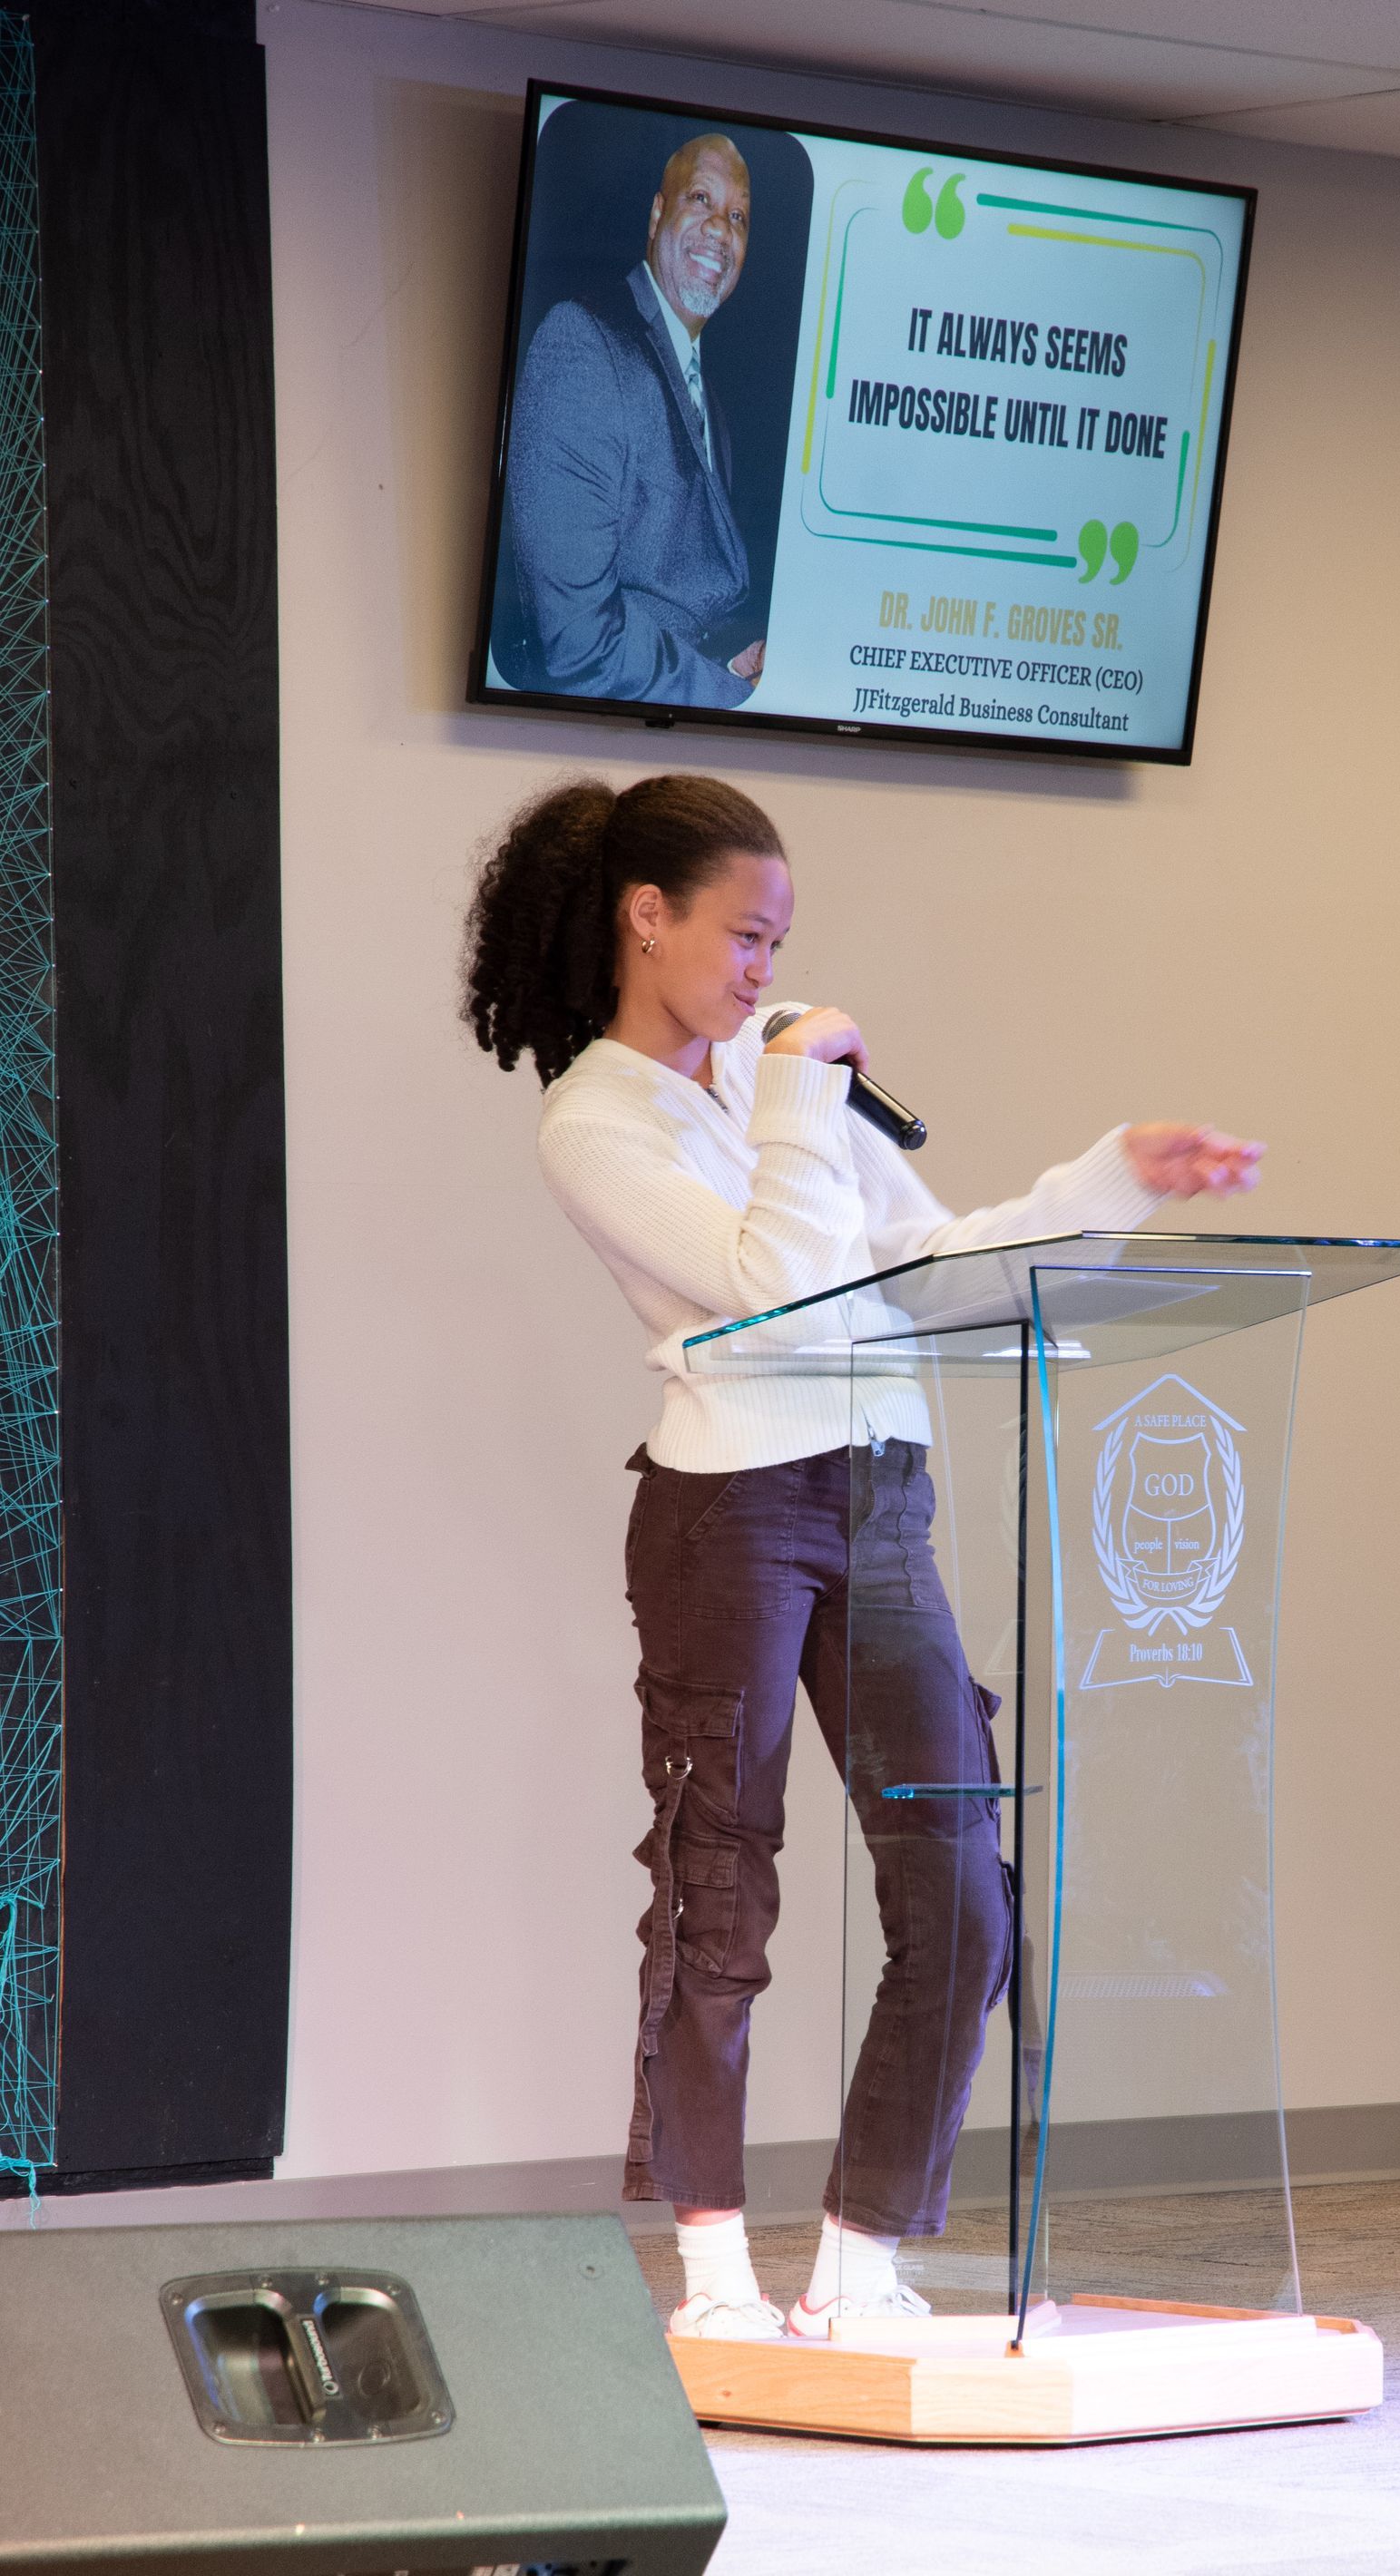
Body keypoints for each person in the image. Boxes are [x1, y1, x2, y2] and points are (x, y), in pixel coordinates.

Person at [463, 773, 1264, 2341]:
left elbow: (925, 1266)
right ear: (648, 918)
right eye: (746, 934)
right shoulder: (596, 1120)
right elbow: (771, 1284)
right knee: (721, 1890)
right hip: (734, 1511)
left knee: (963, 1883)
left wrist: (1110, 1178)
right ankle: (711, 2275)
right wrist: (792, 1100)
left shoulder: (779, 1095)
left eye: (782, 943)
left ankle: (863, 2253)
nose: (767, 968)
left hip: (881, 1492)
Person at [505, 136, 766, 709]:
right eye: (701, 198)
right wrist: (734, 695)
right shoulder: (581, 345)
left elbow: (678, 599)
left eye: (739, 215)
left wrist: (732, 655)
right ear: (656, 214)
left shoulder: (710, 402)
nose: (722, 229)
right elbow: (580, 646)